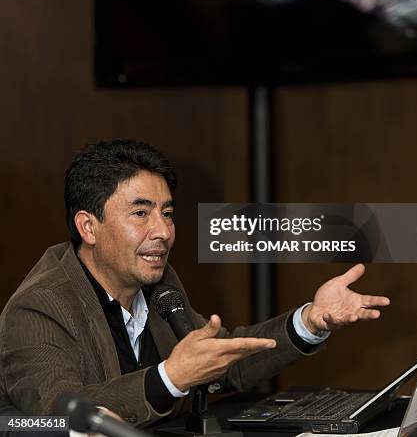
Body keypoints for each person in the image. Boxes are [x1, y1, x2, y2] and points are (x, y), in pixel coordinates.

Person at [0, 139, 390, 427]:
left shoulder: (158, 283)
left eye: (167, 214)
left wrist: (310, 322)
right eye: (140, 213)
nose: (163, 232)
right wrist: (171, 377)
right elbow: (64, 414)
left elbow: (218, 363)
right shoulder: (37, 308)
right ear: (88, 226)